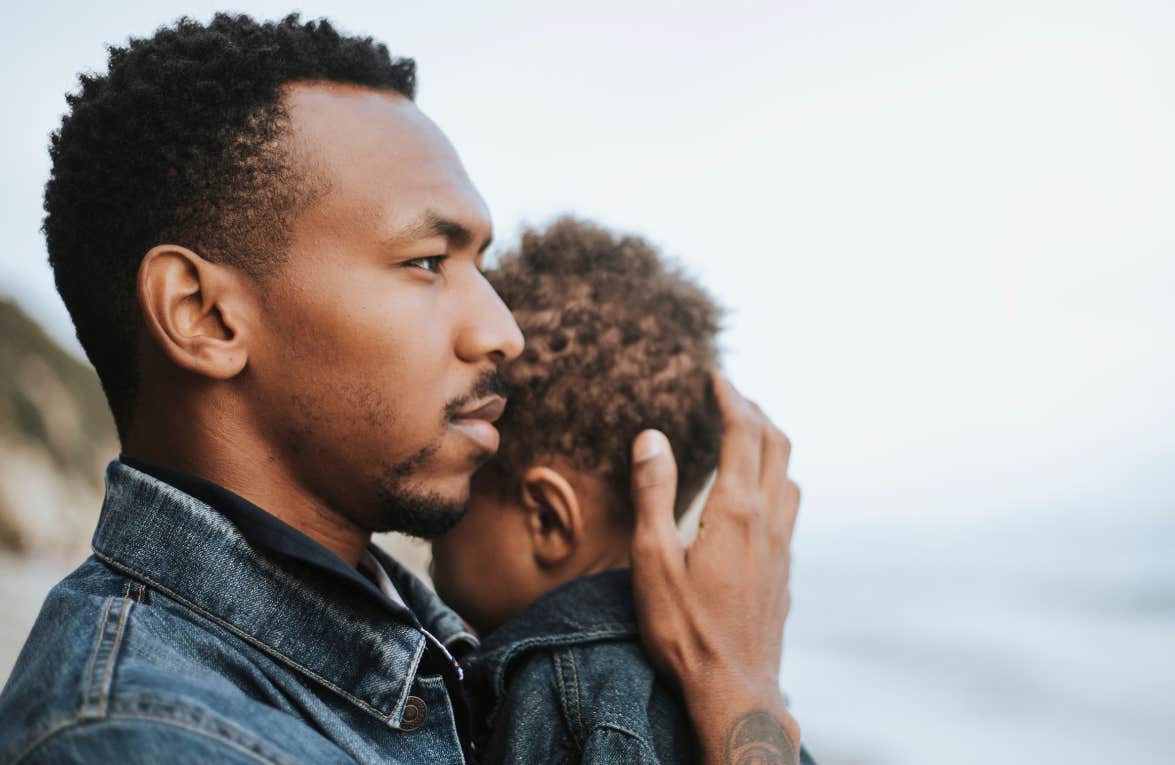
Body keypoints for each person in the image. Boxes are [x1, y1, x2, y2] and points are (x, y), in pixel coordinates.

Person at [0, 14, 801, 765]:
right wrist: (738, 693)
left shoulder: (430, 651)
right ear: (204, 315)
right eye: (426, 261)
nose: (503, 331)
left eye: (480, 265)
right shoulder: (146, 733)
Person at [431, 217, 811, 763]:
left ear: (548, 519)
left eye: (466, 473)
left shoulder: (563, 696)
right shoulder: (731, 693)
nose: (439, 524)